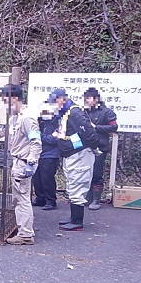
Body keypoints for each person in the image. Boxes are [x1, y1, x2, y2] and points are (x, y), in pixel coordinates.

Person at [0, 84, 42, 245]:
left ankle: (25, 234)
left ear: (14, 98)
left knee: (22, 199)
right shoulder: (14, 118)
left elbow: (36, 142)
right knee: (18, 198)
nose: (5, 104)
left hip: (23, 162)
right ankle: (24, 229)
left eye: (6, 101)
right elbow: (0, 133)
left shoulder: (27, 118)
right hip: (17, 161)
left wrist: (31, 163)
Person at [48, 88, 100, 231]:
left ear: (61, 99)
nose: (53, 105)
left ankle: (77, 222)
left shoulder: (75, 112)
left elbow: (90, 134)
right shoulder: (67, 112)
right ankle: (73, 218)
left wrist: (85, 147)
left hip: (80, 155)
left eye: (54, 101)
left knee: (77, 186)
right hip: (71, 154)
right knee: (72, 185)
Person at [83, 87, 118, 210]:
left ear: (96, 99)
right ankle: (88, 197)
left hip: (100, 146)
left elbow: (114, 127)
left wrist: (96, 127)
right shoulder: (86, 112)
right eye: (85, 99)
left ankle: (96, 200)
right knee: (87, 172)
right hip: (86, 146)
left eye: (89, 99)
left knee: (97, 172)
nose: (87, 101)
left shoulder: (106, 112)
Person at [31, 103, 61, 211]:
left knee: (47, 178)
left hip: (51, 154)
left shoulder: (58, 122)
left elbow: (54, 139)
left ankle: (51, 201)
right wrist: (43, 136)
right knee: (37, 177)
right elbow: (32, 135)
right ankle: (40, 198)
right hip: (38, 153)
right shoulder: (38, 122)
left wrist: (40, 136)